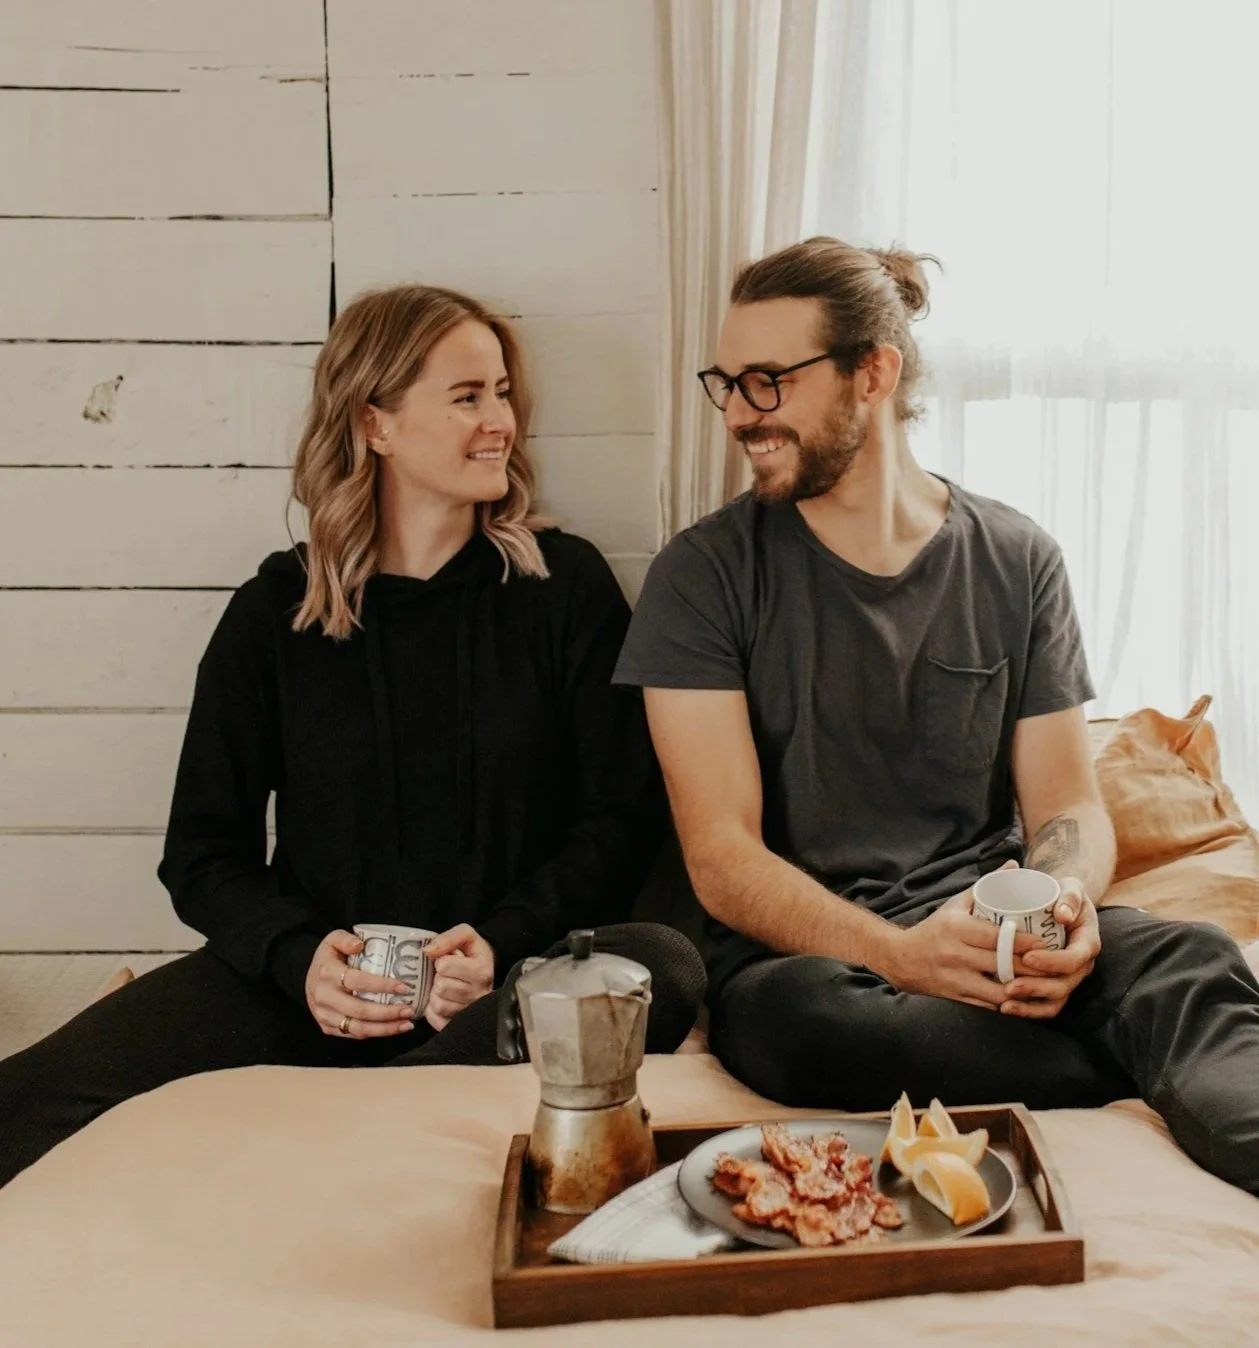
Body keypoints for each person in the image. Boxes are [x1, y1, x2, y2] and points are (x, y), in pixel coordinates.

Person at [0, 284, 704, 1189]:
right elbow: (201, 854)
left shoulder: (562, 589)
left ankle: (346, 1123)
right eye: (467, 397)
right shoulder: (275, 613)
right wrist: (300, 962)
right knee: (23, 1099)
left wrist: (498, 945)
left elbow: (620, 818)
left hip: (500, 994)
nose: (501, 422)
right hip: (312, 995)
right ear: (376, 423)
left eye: (501, 393)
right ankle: (383, 1124)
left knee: (661, 967)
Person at [613, 237, 1259, 1195]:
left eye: (768, 381)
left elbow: (1068, 809)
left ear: (872, 374)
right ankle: (1136, 1056)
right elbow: (721, 857)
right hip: (818, 964)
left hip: (990, 928)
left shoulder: (1016, 558)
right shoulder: (702, 577)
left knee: (1190, 957)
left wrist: (1065, 909)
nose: (741, 414)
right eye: (728, 385)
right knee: (818, 1029)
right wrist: (902, 957)